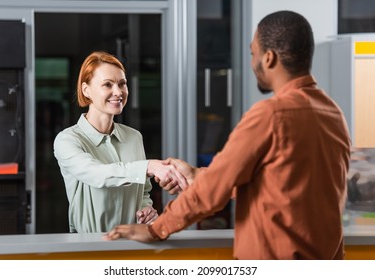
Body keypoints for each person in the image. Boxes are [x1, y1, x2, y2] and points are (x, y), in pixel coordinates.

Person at [103, 11, 351, 259]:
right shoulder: (332, 114)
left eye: (253, 53)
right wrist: (195, 175)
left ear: (269, 58)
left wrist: (156, 229)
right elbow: (277, 187)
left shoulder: (271, 115)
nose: (252, 62)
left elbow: (212, 193)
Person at [54, 51, 187, 233]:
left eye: (122, 84)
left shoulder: (134, 137)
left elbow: (143, 191)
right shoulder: (67, 140)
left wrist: (146, 209)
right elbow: (96, 174)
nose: (118, 92)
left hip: (133, 243)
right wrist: (149, 166)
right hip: (89, 247)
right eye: (107, 84)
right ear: (86, 90)